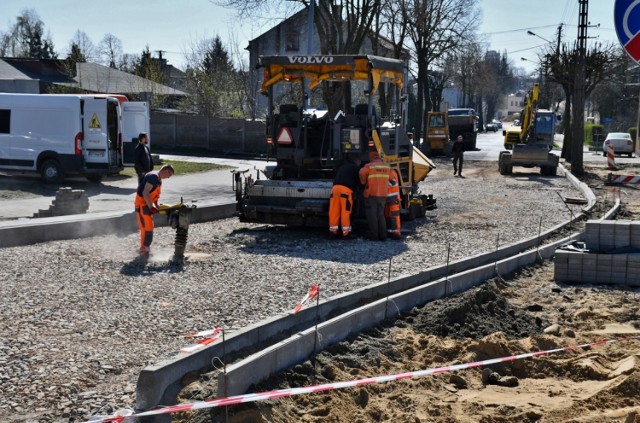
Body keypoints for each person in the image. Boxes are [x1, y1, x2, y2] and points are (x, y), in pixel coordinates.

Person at [134, 164, 174, 256]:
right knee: (145, 228)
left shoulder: (158, 179)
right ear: (165, 171)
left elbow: (154, 195)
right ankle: (143, 249)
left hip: (147, 205)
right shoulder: (153, 177)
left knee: (149, 227)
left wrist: (156, 206)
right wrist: (151, 207)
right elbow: (145, 193)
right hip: (142, 205)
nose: (168, 177)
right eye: (169, 175)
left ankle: (146, 247)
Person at [359, 151, 391, 241]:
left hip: (371, 194)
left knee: (372, 215)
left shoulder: (369, 166)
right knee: (381, 215)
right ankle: (383, 235)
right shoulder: (386, 166)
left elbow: (361, 173)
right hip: (383, 194)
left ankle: (374, 236)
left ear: (371, 158)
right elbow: (391, 177)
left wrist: (364, 182)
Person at [329, 154, 362, 239]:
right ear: (357, 161)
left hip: (335, 189)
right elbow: (360, 181)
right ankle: (346, 233)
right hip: (345, 191)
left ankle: (333, 232)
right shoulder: (356, 168)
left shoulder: (343, 167)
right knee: (345, 212)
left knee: (334, 211)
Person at [385, 169, 402, 239]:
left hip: (392, 196)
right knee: (389, 214)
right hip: (391, 197)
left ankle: (395, 232)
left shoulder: (390, 172)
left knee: (394, 215)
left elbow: (391, 183)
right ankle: (391, 231)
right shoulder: (391, 171)